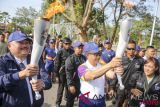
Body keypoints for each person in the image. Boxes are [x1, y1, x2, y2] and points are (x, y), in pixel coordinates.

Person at [0, 31, 52, 107]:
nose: (25, 45)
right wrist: (21, 74)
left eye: (27, 42)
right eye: (21, 42)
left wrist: (43, 84)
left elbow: (47, 79)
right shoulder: (2, 61)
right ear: (9, 46)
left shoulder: (36, 59)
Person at [77, 42, 123, 107]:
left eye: (99, 54)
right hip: (86, 100)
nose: (98, 57)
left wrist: (117, 72)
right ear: (87, 55)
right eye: (95, 54)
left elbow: (111, 75)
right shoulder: (82, 67)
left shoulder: (102, 66)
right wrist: (110, 65)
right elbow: (91, 76)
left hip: (100, 100)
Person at [110, 40, 144, 107]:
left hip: (133, 89)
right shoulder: (120, 59)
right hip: (121, 88)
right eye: (129, 48)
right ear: (126, 49)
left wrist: (140, 88)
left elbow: (142, 75)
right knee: (118, 105)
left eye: (133, 49)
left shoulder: (141, 60)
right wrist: (112, 87)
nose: (131, 50)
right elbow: (116, 75)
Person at [65, 41, 86, 107]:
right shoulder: (70, 59)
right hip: (73, 84)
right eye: (79, 48)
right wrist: (71, 85)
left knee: (83, 101)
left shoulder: (84, 58)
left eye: (82, 48)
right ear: (74, 48)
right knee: (70, 102)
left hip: (82, 84)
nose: (81, 49)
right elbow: (68, 73)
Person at [54, 37, 74, 107]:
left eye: (69, 44)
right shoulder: (60, 52)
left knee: (69, 87)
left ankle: (68, 100)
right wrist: (56, 75)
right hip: (62, 73)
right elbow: (57, 63)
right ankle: (58, 102)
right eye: (66, 44)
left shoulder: (72, 51)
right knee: (61, 87)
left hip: (70, 73)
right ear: (63, 44)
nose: (67, 45)